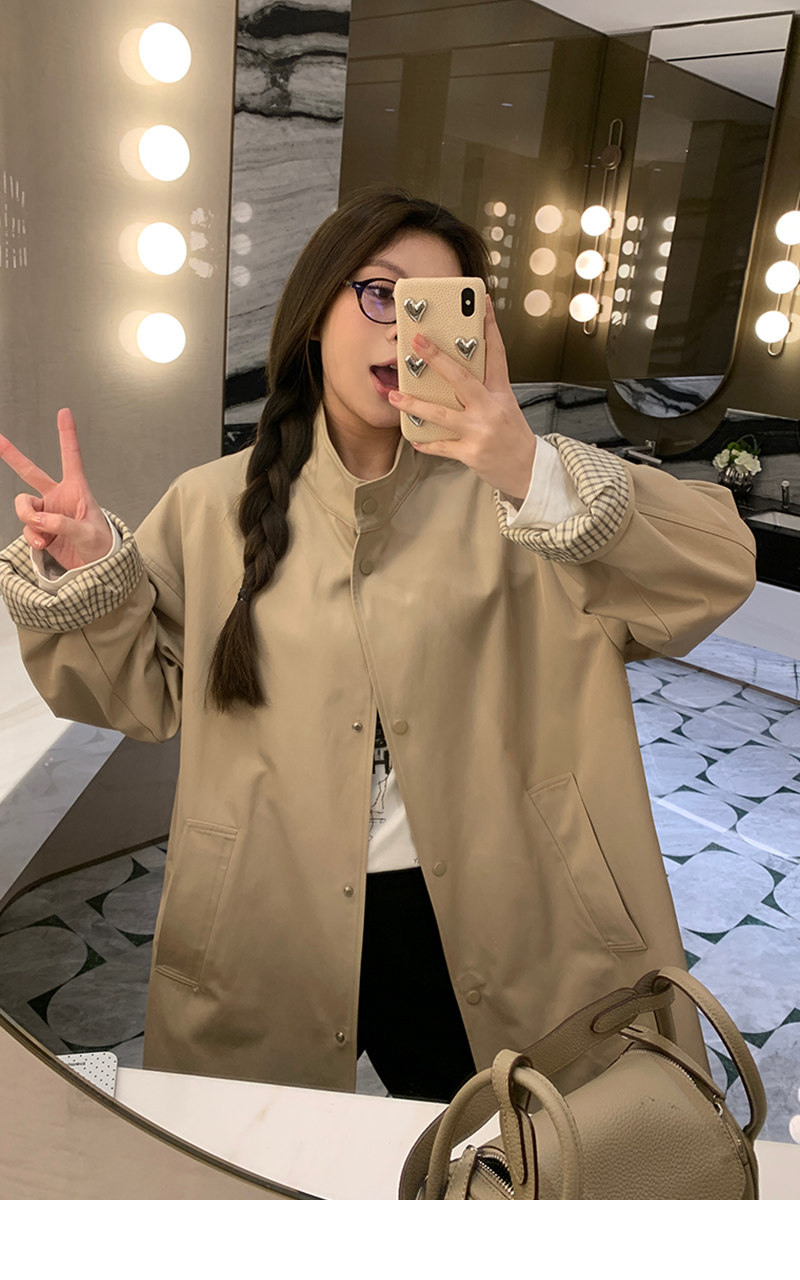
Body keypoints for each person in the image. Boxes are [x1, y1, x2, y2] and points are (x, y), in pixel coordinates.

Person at [0, 188, 755, 1103]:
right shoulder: (210, 505)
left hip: (505, 908)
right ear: (316, 311)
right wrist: (89, 572)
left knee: (528, 1159)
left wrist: (528, 467)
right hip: (269, 912)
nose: (406, 329)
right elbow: (131, 695)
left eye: (440, 305)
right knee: (265, 1158)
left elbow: (713, 569)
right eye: (381, 293)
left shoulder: (527, 494)